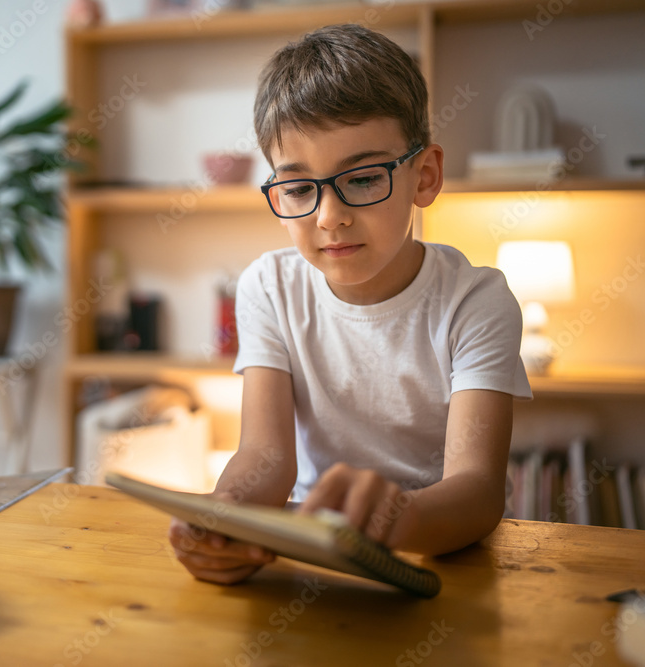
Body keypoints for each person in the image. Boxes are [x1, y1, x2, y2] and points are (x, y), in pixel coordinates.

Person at [169, 23, 532, 585]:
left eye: (362, 179)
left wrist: (392, 519)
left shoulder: (476, 301)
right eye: (297, 189)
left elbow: (478, 494)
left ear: (425, 176)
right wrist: (225, 515)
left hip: (437, 558)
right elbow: (266, 459)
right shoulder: (268, 286)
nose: (328, 217)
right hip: (314, 557)